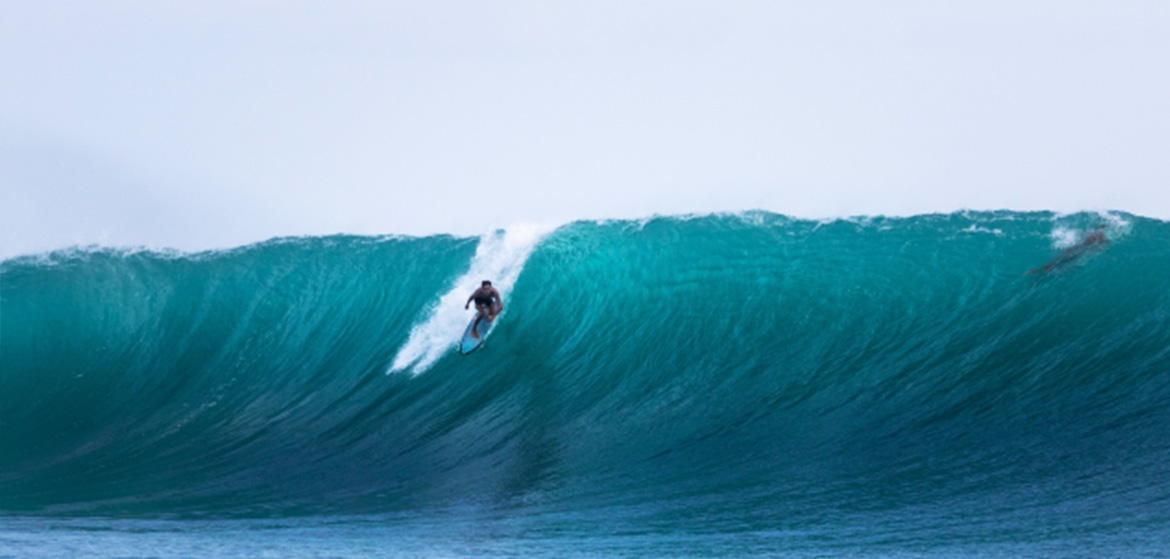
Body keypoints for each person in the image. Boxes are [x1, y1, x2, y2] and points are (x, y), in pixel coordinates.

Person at [1028, 225, 1110, 275]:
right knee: (1063, 261)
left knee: (1061, 260)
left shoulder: (1094, 232)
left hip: (1078, 248)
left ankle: (1039, 270)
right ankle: (1040, 270)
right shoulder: (1100, 234)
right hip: (1080, 248)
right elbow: (1102, 242)